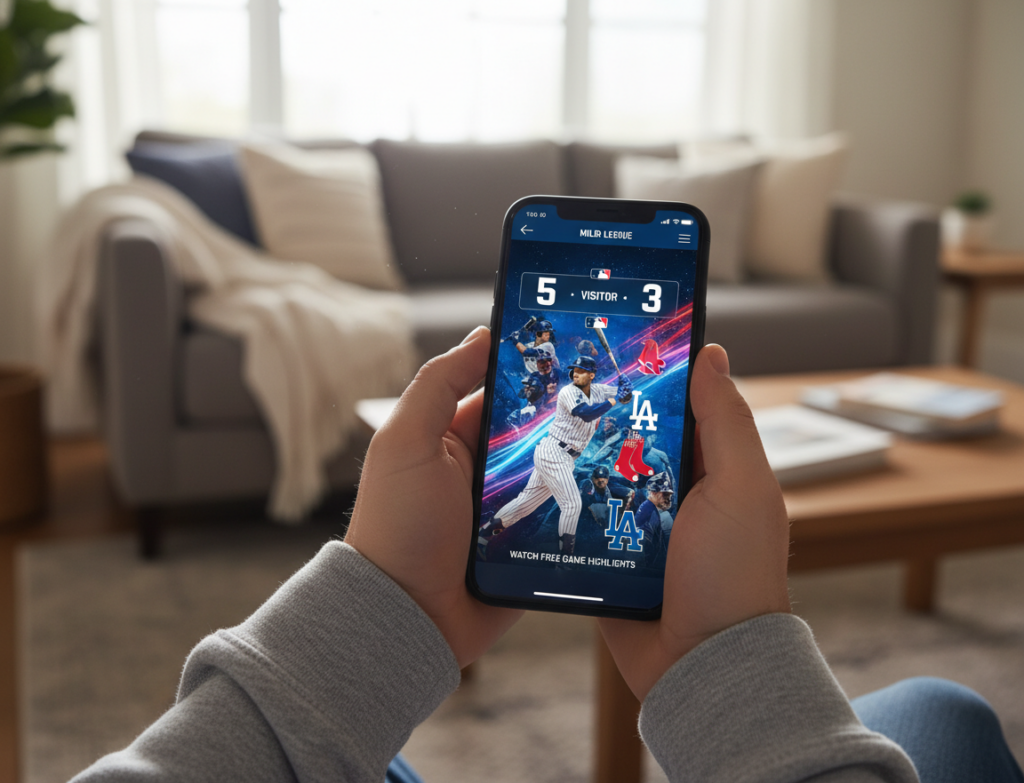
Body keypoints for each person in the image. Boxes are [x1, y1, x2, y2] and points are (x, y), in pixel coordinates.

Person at [71, 329, 1023, 783]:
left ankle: (542, 537)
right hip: (563, 466)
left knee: (384, 760)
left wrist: (384, 602)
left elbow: (603, 398)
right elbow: (597, 403)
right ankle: (561, 540)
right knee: (940, 712)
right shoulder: (575, 405)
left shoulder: (581, 399)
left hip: (557, 468)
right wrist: (739, 666)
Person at [478, 354, 633, 556]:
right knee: (572, 504)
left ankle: (482, 537)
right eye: (574, 370)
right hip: (554, 451)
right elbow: (586, 413)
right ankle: (564, 560)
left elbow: (625, 395)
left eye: (581, 371)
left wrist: (628, 387)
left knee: (525, 504)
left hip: (565, 457)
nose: (575, 373)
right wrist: (616, 398)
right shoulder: (568, 392)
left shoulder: (598, 390)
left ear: (592, 375)